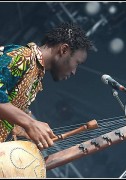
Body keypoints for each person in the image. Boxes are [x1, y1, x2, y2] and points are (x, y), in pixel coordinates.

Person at [0, 22, 93, 150]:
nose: (73, 71)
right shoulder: (23, 56)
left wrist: (20, 126)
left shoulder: (35, 74)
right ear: (64, 50)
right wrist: (30, 123)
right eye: (77, 63)